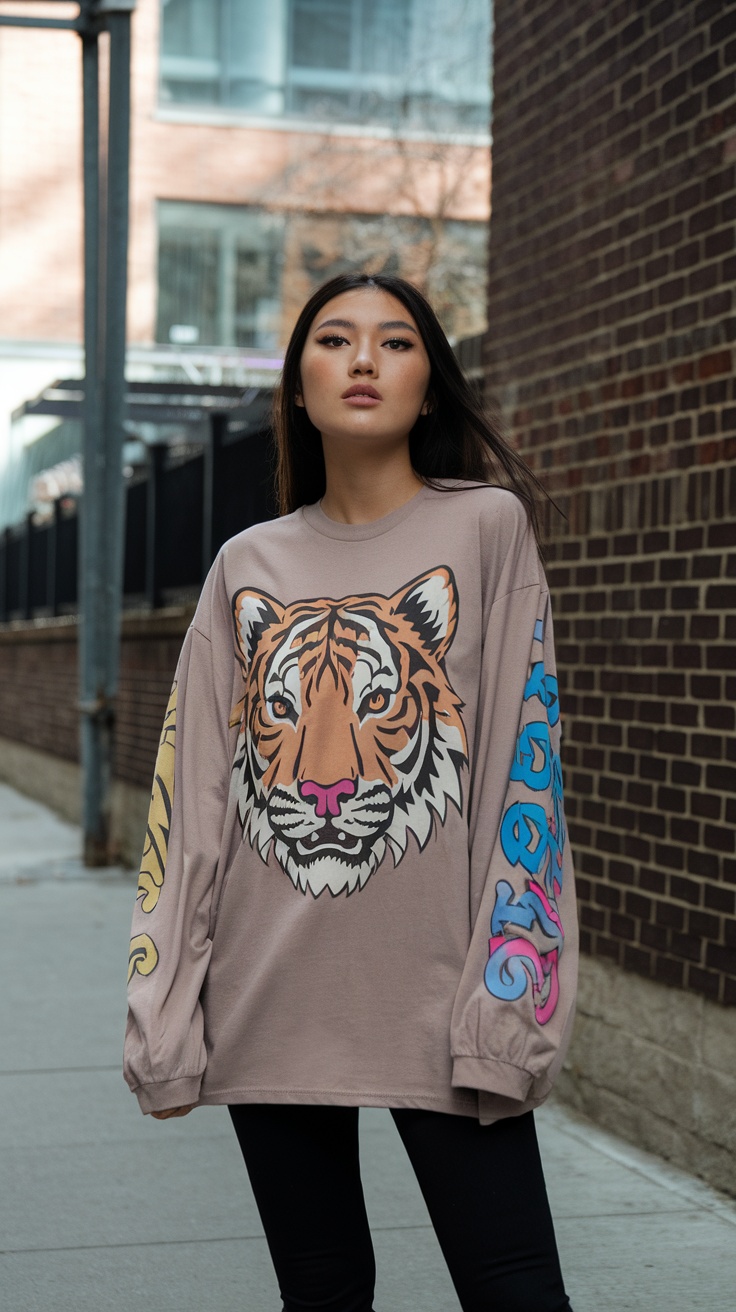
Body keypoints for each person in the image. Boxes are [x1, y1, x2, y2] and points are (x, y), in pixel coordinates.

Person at [124, 272, 577, 1312]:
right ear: (296, 384)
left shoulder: (486, 530)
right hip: (267, 986)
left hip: (443, 998)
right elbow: (189, 802)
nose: (364, 358)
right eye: (333, 339)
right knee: (321, 1290)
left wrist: (506, 1001)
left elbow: (526, 776)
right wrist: (163, 1005)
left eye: (396, 342)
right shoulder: (246, 564)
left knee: (517, 1289)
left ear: (430, 385)